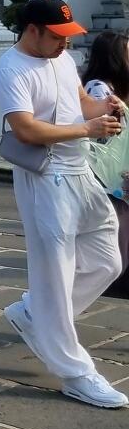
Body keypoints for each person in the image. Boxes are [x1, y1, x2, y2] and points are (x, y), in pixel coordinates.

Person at [0, 0, 127, 410]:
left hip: (80, 169)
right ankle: (75, 373)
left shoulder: (63, 60)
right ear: (32, 30)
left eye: (68, 37)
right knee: (56, 269)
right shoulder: (11, 68)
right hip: (45, 175)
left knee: (108, 260)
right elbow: (26, 130)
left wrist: (106, 107)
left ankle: (36, 314)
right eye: (57, 36)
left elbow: (80, 102)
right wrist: (87, 128)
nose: (65, 44)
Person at [80, 30, 129, 298]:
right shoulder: (99, 88)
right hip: (106, 172)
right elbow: (104, 135)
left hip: (115, 170)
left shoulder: (114, 88)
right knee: (116, 223)